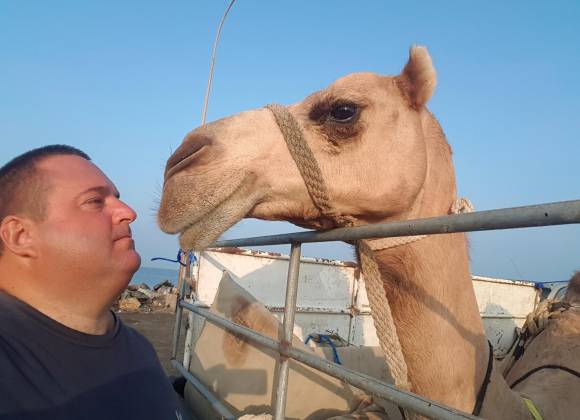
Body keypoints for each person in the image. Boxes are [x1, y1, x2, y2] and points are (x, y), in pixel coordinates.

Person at [0, 145, 187, 419]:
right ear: (20, 236)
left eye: (116, 198)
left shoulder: (138, 347)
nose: (128, 212)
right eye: (95, 202)